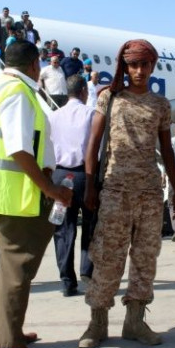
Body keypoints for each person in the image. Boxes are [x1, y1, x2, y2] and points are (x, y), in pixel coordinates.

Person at [0, 40, 72, 348]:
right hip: (17, 196)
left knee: (8, 269)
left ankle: (7, 334)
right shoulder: (18, 92)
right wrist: (50, 189)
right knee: (18, 270)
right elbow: (19, 149)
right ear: (35, 66)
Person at [78, 39, 175, 348]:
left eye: (144, 64)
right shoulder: (110, 98)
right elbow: (93, 142)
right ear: (125, 66)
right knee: (108, 256)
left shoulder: (161, 105)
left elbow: (165, 148)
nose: (139, 70)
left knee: (145, 257)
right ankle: (97, 323)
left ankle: (135, 322)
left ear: (153, 66)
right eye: (133, 64)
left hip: (150, 192)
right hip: (114, 189)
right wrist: (89, 186)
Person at [50, 75, 96, 296]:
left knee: (62, 228)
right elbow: (94, 150)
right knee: (90, 224)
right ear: (84, 91)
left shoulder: (54, 115)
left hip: (60, 176)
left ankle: (67, 281)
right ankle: (87, 272)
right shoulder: (90, 114)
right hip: (83, 174)